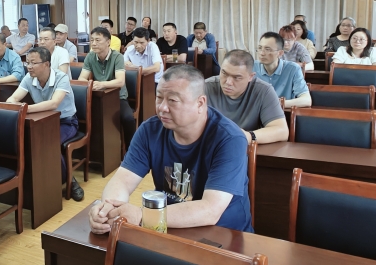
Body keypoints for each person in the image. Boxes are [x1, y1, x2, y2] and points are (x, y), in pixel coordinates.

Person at [88, 65, 253, 235]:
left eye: (172, 100)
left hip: (225, 234)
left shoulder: (229, 139)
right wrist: (108, 210)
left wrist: (142, 215)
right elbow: (123, 180)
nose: (162, 107)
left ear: (200, 103)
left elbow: (210, 210)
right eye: (159, 98)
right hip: (168, 225)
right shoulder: (150, 130)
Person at [7, 47, 84, 201]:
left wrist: (25, 109)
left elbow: (54, 103)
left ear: (46, 64)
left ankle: (70, 181)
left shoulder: (61, 77)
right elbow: (11, 100)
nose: (29, 66)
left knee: (50, 144)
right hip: (42, 123)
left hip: (66, 122)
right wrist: (17, 105)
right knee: (24, 143)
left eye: (33, 63)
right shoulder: (29, 78)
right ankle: (36, 182)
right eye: (27, 63)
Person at [204, 50, 289, 144]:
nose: (228, 82)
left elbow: (282, 131)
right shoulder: (204, 88)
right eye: (224, 73)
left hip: (247, 147)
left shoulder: (263, 91)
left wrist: (247, 136)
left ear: (250, 77)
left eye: (237, 77)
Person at [79, 27, 137, 149]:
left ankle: (131, 149)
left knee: (128, 118)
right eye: (92, 40)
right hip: (97, 97)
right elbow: (81, 79)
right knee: (84, 117)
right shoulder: (90, 56)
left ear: (108, 42)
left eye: (98, 40)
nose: (94, 43)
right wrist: (90, 84)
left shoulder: (117, 57)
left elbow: (120, 81)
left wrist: (102, 84)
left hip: (118, 98)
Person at [254, 32, 311, 108]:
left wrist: (275, 104)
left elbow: (306, 100)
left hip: (283, 113)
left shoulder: (293, 69)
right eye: (260, 48)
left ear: (280, 53)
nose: (262, 53)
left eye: (267, 49)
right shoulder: (251, 67)